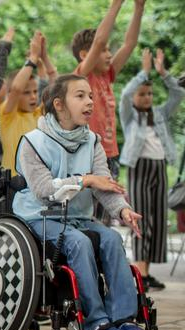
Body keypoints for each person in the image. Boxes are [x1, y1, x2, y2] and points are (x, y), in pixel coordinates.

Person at [12, 74, 145, 330]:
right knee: (79, 244)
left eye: (91, 96)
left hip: (78, 217)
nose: (89, 102)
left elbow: (103, 186)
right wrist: (84, 180)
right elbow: (43, 190)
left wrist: (123, 211)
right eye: (81, 96)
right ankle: (95, 322)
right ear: (59, 104)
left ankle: (123, 319)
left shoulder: (92, 141)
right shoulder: (32, 142)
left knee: (111, 238)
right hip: (40, 218)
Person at [72, 0, 144, 223]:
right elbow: (100, 39)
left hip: (110, 155)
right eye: (104, 51)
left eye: (109, 51)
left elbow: (130, 44)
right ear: (86, 54)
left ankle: (103, 256)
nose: (109, 54)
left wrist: (139, 8)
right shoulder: (84, 75)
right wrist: (116, 5)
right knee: (90, 217)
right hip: (90, 157)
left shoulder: (106, 76)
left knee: (107, 217)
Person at [120, 48, 185, 291]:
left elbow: (178, 94)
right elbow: (125, 95)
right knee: (141, 218)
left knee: (157, 220)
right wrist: (143, 72)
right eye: (143, 94)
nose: (147, 98)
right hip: (139, 167)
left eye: (150, 93)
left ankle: (146, 272)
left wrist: (162, 73)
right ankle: (140, 274)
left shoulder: (159, 114)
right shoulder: (129, 115)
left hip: (159, 166)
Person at [0, 31, 57, 173]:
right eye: (27, 93)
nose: (33, 97)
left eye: (35, 92)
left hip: (38, 182)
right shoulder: (8, 115)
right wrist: (33, 58)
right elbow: (17, 88)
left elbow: (57, 88)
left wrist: (45, 57)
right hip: (13, 183)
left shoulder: (39, 114)